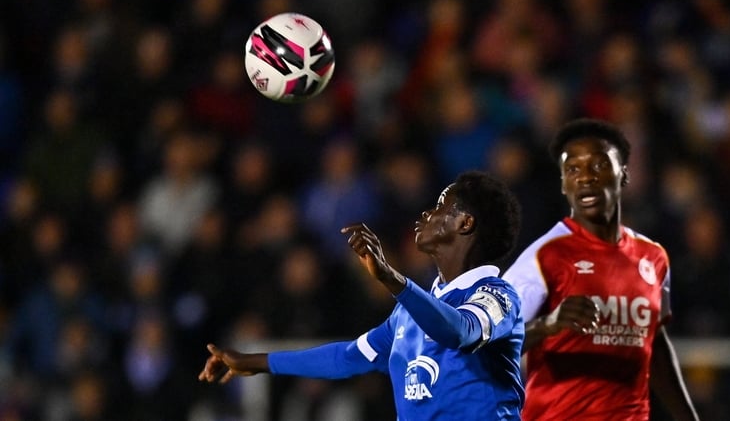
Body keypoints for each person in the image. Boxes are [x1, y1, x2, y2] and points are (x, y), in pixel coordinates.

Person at [199, 170, 526, 420]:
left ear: (465, 223)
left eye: (441, 206)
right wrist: (255, 362)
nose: (428, 213)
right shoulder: (407, 314)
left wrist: (391, 279)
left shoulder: (498, 297)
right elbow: (346, 357)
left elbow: (460, 332)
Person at [503, 118, 699, 420]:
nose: (585, 178)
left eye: (598, 166)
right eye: (573, 169)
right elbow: (487, 343)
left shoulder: (653, 257)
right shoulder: (545, 256)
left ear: (623, 175)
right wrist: (547, 326)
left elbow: (655, 345)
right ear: (563, 184)